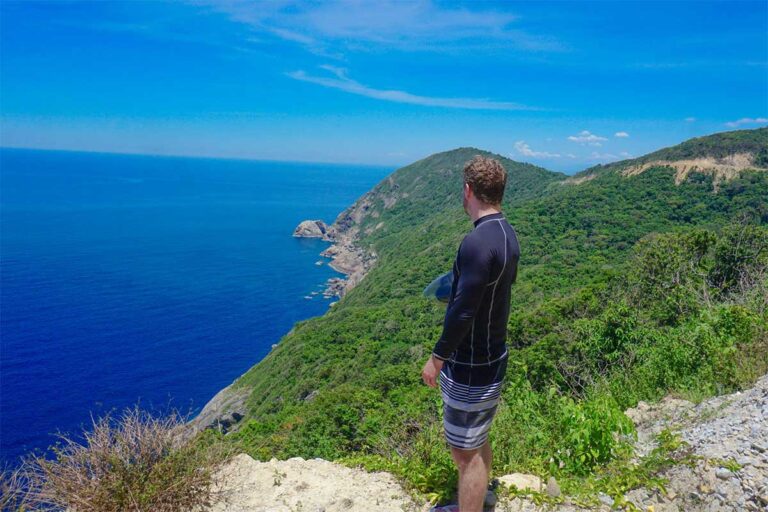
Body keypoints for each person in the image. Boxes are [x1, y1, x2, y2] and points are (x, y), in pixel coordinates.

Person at [422, 155, 520, 512]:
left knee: (464, 454)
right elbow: (485, 295)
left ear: (468, 191)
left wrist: (436, 360)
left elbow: (463, 312)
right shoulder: (506, 233)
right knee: (477, 439)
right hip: (492, 356)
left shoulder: (477, 242)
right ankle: (480, 498)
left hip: (471, 366)